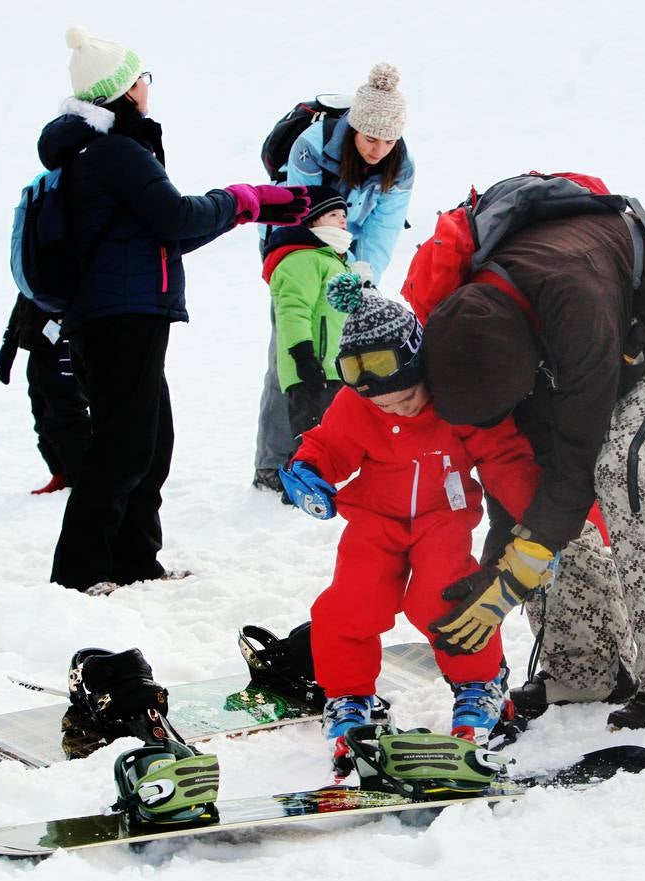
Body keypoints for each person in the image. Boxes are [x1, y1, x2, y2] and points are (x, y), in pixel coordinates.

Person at [421, 204, 645, 737]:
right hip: (625, 326)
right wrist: (498, 563)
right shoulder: (470, 329)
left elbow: (578, 455)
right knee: (545, 484)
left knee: (629, 469)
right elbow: (525, 467)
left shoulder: (574, 307)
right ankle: (587, 668)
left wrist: (519, 568)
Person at [44, 26, 309, 595]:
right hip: (122, 315)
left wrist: (244, 210)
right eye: (143, 78)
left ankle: (134, 561)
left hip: (124, 311)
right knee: (123, 446)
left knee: (149, 440)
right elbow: (178, 220)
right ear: (124, 89)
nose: (148, 87)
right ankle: (79, 574)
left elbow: (166, 233)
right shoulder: (115, 152)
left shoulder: (106, 151)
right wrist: (248, 199)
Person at [279, 279, 540, 763]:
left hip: (443, 520)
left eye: (406, 399)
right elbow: (329, 446)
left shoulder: (456, 401)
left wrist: (542, 524)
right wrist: (307, 471)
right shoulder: (358, 406)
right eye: (382, 405)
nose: (395, 410)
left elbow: (504, 457)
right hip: (374, 521)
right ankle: (350, 696)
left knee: (447, 600)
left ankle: (481, 686)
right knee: (349, 606)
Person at [253, 63, 415, 495]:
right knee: (289, 356)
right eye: (370, 138)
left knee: (339, 360)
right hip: (299, 249)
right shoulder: (312, 146)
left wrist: (362, 275)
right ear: (353, 129)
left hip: (346, 255)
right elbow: (298, 211)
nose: (379, 149)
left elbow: (382, 228)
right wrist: (314, 265)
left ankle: (324, 459)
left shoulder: (401, 164)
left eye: (389, 140)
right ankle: (272, 464)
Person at [261, 185, 353, 475]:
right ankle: (301, 486)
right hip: (313, 368)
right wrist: (303, 356)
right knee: (312, 434)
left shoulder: (335, 260)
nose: (342, 220)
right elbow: (293, 310)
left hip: (338, 368)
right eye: (334, 214)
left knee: (336, 433)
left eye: (344, 215)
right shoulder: (301, 259)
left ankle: (323, 480)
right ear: (312, 219)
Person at [0, 292, 91, 494]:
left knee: (67, 418)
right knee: (42, 416)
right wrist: (9, 344)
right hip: (39, 349)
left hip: (65, 348)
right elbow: (25, 295)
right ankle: (61, 474)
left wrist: (71, 344)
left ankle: (86, 479)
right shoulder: (33, 262)